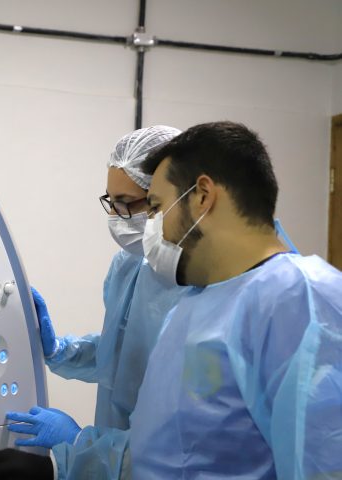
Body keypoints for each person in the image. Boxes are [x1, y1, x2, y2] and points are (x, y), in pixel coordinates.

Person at [0, 126, 189, 480]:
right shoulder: (127, 266)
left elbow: (177, 450)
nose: (115, 217)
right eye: (110, 202)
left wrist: (76, 446)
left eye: (126, 203)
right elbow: (120, 355)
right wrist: (60, 351)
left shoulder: (194, 287)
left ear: (165, 198)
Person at [126, 121, 342, 478]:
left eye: (156, 207)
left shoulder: (301, 300)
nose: (152, 226)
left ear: (202, 196)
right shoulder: (193, 304)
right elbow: (166, 450)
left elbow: (326, 461)